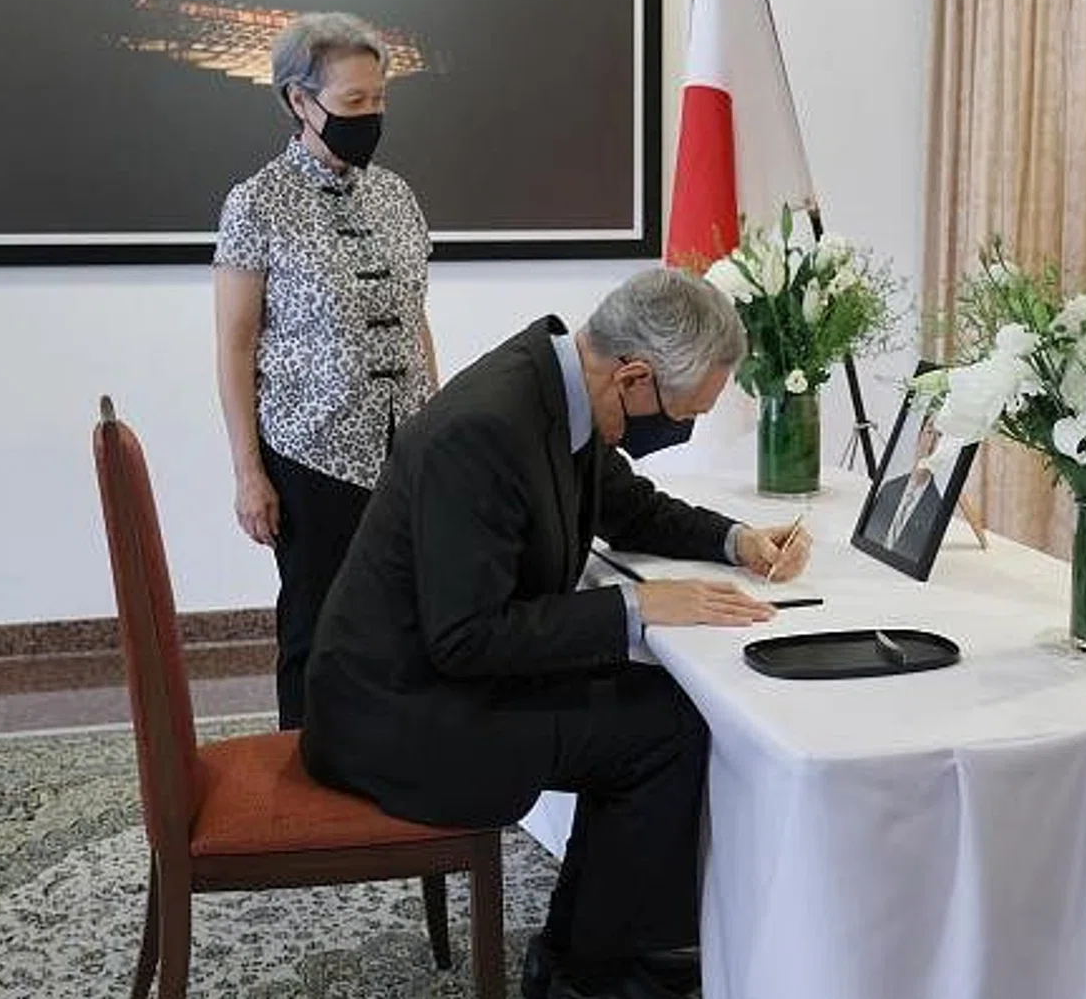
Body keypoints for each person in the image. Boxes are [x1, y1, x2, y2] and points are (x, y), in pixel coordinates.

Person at [301, 268, 813, 999]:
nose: (683, 428)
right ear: (635, 377)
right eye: (685, 410)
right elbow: (467, 637)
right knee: (661, 731)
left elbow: (628, 505)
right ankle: (606, 971)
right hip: (400, 712)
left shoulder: (557, 386)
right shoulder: (487, 427)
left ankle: (583, 952)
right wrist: (638, 609)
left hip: (437, 678)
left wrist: (736, 541)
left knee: (659, 705)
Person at [213, 12, 439, 730]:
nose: (370, 117)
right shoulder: (257, 203)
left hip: (403, 450)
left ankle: (393, 769)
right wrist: (249, 473)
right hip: (310, 452)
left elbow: (414, 316)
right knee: (316, 629)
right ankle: (306, 786)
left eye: (378, 101)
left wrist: (436, 427)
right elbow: (236, 343)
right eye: (352, 104)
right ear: (297, 101)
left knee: (405, 619)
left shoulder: (397, 196)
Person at [862, 415, 948, 556]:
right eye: (930, 431)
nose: (932, 441)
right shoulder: (888, 489)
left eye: (940, 435)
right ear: (919, 437)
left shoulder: (937, 509)